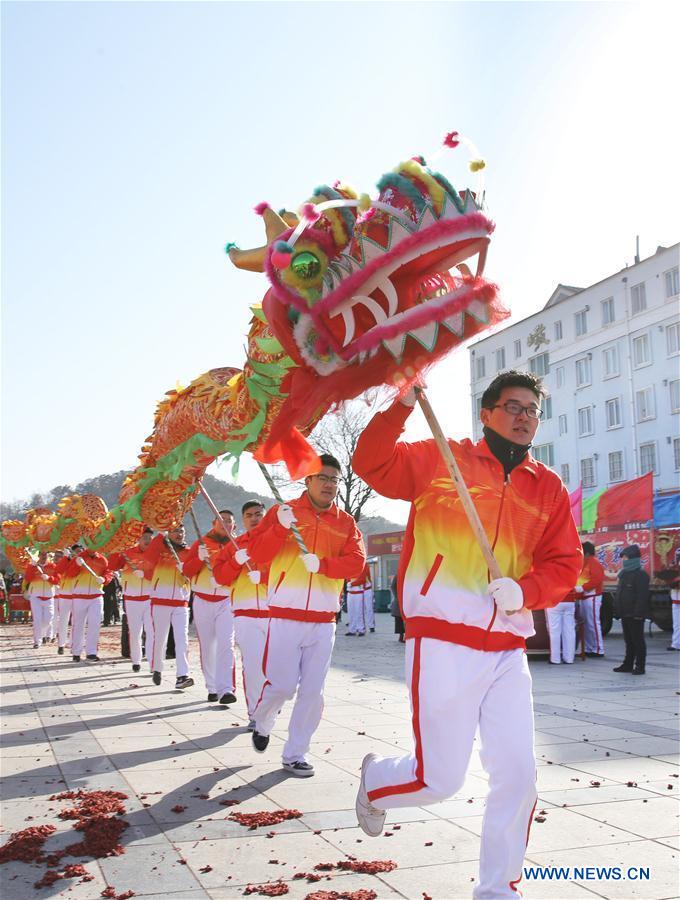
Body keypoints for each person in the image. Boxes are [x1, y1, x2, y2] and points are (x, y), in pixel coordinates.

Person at [351, 370, 582, 898]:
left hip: (506, 646)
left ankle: (498, 889)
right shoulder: (441, 458)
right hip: (442, 639)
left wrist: (526, 592)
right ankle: (378, 781)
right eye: (513, 407)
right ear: (486, 413)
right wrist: (400, 405)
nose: (524, 418)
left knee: (519, 778)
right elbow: (372, 464)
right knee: (438, 781)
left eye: (533, 410)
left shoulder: (546, 486)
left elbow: (565, 562)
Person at [246, 453, 366, 777]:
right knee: (283, 686)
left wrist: (325, 566)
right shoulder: (284, 513)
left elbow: (357, 563)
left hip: (323, 621)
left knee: (313, 692)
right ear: (307, 480)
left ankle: (296, 753)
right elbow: (257, 554)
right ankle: (263, 718)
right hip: (285, 615)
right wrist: (278, 530)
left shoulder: (345, 523)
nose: (329, 485)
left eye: (334, 480)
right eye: (323, 478)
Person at [213, 500, 269, 728]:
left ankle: (270, 703)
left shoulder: (279, 543)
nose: (254, 518)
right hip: (245, 613)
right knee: (253, 665)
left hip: (276, 611)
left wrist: (264, 578)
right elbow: (220, 577)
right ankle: (256, 713)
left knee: (276, 668)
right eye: (249, 515)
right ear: (243, 520)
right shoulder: (233, 547)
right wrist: (236, 562)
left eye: (258, 514)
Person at [183, 510, 238, 704]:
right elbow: (186, 572)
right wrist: (198, 558)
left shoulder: (237, 546)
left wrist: (225, 580)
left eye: (229, 521)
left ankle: (226, 689)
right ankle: (212, 686)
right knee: (208, 646)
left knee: (226, 644)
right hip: (203, 600)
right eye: (221, 520)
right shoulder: (201, 543)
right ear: (214, 522)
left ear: (234, 526)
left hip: (226, 600)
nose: (225, 524)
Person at [140, 525, 193, 688]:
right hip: (160, 601)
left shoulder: (189, 552)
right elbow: (147, 564)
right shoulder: (160, 549)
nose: (179, 534)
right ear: (168, 533)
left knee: (182, 639)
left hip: (181, 602)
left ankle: (182, 675)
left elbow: (195, 574)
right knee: (160, 638)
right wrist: (159, 537)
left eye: (182, 531)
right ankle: (157, 668)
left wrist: (188, 570)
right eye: (176, 531)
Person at [108, 528, 154, 673]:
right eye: (144, 537)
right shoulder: (127, 553)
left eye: (149, 537)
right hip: (132, 599)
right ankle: (136, 660)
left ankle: (153, 663)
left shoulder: (155, 554)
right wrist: (117, 548)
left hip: (150, 599)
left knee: (152, 632)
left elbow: (160, 573)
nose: (147, 540)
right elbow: (113, 565)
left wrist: (146, 574)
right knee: (135, 632)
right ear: (138, 539)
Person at [62, 544, 109, 662]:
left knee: (95, 624)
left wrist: (105, 579)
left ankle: (91, 652)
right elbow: (69, 574)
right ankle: (76, 652)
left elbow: (108, 572)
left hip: (96, 595)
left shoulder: (102, 559)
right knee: (78, 625)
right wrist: (77, 565)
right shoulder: (78, 558)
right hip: (79, 596)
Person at [613, 544, 651, 675]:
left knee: (638, 640)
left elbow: (642, 597)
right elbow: (620, 593)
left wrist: (639, 613)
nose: (623, 560)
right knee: (628, 640)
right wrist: (617, 610)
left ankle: (640, 666)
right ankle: (627, 664)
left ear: (633, 559)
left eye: (625, 557)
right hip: (625, 612)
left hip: (635, 614)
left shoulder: (641, 575)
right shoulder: (623, 574)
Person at [575, 541, 606, 658]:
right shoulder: (586, 562)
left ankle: (598, 649)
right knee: (586, 624)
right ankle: (588, 648)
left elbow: (596, 580)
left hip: (592, 597)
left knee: (593, 624)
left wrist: (582, 588)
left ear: (587, 553)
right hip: (584, 596)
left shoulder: (594, 562)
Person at [23, 551, 57, 647]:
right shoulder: (33, 566)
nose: (43, 556)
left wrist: (49, 578)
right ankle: (37, 642)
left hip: (49, 596)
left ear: (48, 555)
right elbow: (28, 578)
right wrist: (31, 567)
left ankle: (43, 634)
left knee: (48, 619)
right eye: (42, 554)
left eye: (45, 554)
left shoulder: (53, 566)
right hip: (36, 597)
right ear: (38, 556)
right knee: (37, 620)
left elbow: (57, 580)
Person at [53, 548, 73, 655]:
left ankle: (73, 643)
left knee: (76, 621)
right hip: (64, 595)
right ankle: (61, 644)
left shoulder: (78, 561)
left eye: (59, 555)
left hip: (77, 595)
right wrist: (65, 559)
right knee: (63, 621)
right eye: (56, 555)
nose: (57, 558)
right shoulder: (61, 564)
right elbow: (58, 571)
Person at [390, 573, 405, 643]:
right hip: (399, 600)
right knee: (399, 619)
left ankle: (405, 635)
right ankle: (401, 635)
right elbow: (393, 586)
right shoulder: (398, 575)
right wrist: (397, 596)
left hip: (408, 599)